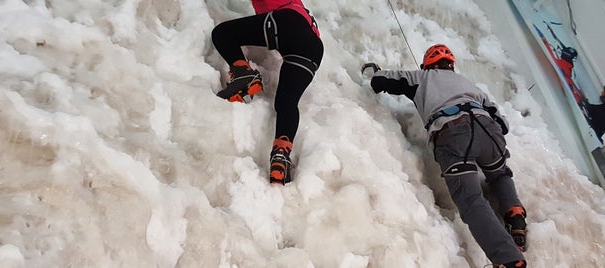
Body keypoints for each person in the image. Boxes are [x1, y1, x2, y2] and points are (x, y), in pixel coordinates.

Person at [362, 44, 527, 268]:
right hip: (489, 131)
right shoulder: (471, 86)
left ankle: (508, 259)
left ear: (427, 64)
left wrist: (377, 72)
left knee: (470, 199)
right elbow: (502, 124)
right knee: (499, 171)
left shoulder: (422, 77)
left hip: (453, 132)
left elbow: (381, 81)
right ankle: (514, 213)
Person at [211, 0, 323, 184]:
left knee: (223, 33)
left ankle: (243, 74)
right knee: (286, 102)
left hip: (290, 22)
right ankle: (281, 155)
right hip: (313, 47)